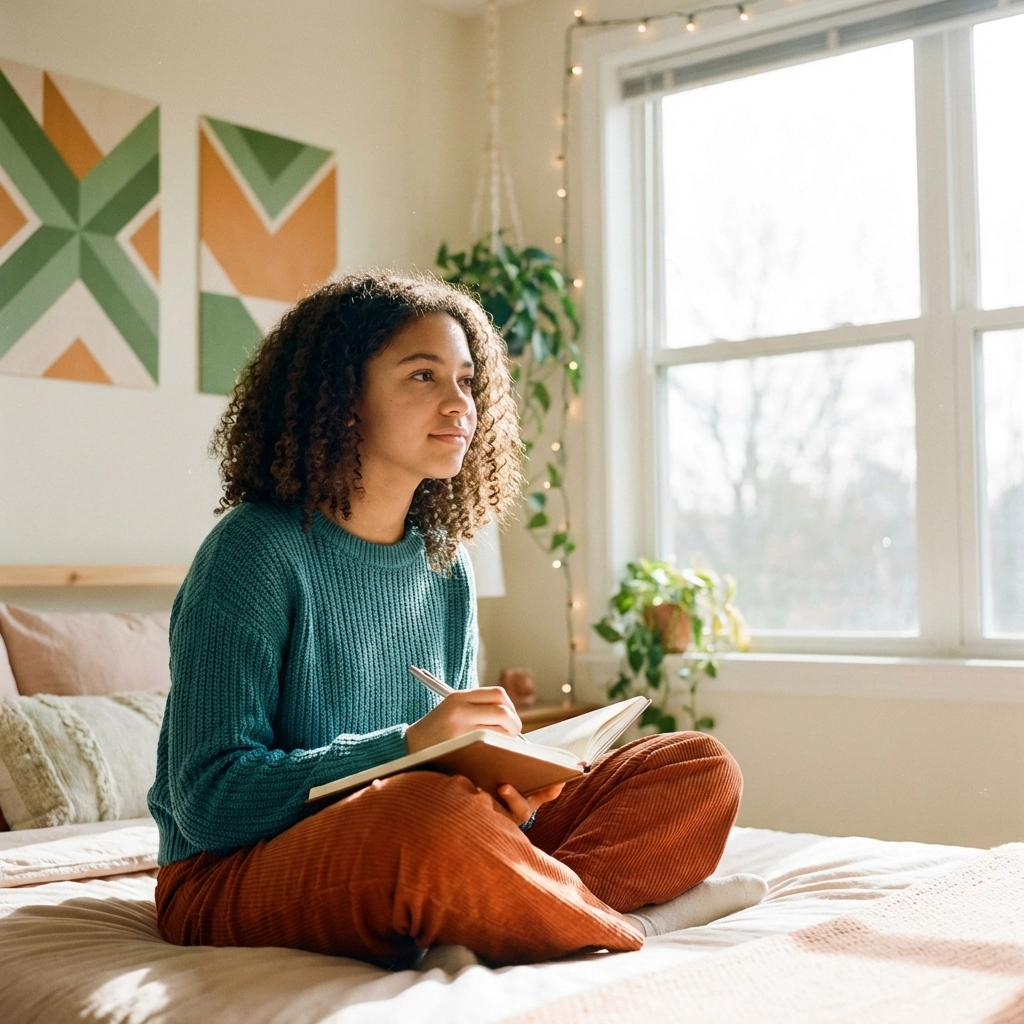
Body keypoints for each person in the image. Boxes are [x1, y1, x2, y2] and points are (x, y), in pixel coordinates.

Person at [149, 271, 748, 971]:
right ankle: (621, 925)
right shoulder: (251, 552)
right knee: (427, 823)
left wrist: (510, 780)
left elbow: (449, 776)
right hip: (228, 872)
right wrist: (404, 750)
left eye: (466, 380)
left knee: (699, 769)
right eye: (423, 375)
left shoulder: (446, 564)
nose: (459, 403)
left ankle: (508, 908)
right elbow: (210, 802)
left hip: (418, 835)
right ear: (343, 399)